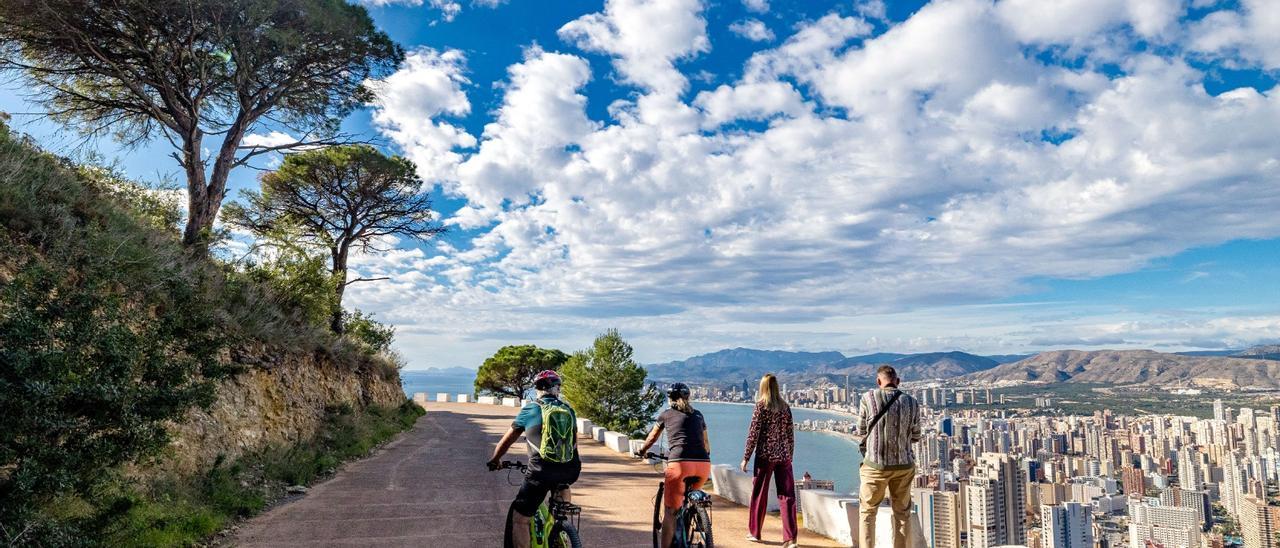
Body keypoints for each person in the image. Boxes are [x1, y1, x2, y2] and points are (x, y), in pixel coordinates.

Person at [487, 370, 580, 548]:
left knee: (520, 518)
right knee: (562, 488)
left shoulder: (531, 408)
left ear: (537, 388)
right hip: (570, 469)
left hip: (540, 471)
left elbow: (507, 440)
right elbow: (574, 444)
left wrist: (495, 459)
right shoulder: (568, 410)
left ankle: (556, 529)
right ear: (557, 388)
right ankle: (561, 528)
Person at [635, 383, 712, 548]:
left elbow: (652, 438)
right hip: (703, 465)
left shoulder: (666, 415)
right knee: (690, 496)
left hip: (679, 465)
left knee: (671, 511)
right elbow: (706, 444)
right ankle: (694, 517)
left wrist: (642, 450)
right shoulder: (698, 415)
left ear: (670, 399)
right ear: (688, 397)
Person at [854, 365, 921, 548]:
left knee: (868, 512)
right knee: (902, 513)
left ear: (878, 382)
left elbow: (861, 430)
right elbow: (916, 436)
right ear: (898, 382)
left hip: (875, 466)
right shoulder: (912, 402)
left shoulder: (868, 398)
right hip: (904, 466)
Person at [740, 373, 798, 547]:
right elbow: (790, 434)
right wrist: (790, 455)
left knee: (759, 495)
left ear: (763, 387)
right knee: (787, 496)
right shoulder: (785, 407)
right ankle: (790, 538)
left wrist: (745, 458)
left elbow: (753, 434)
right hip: (784, 457)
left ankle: (755, 532)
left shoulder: (761, 406)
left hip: (765, 457)